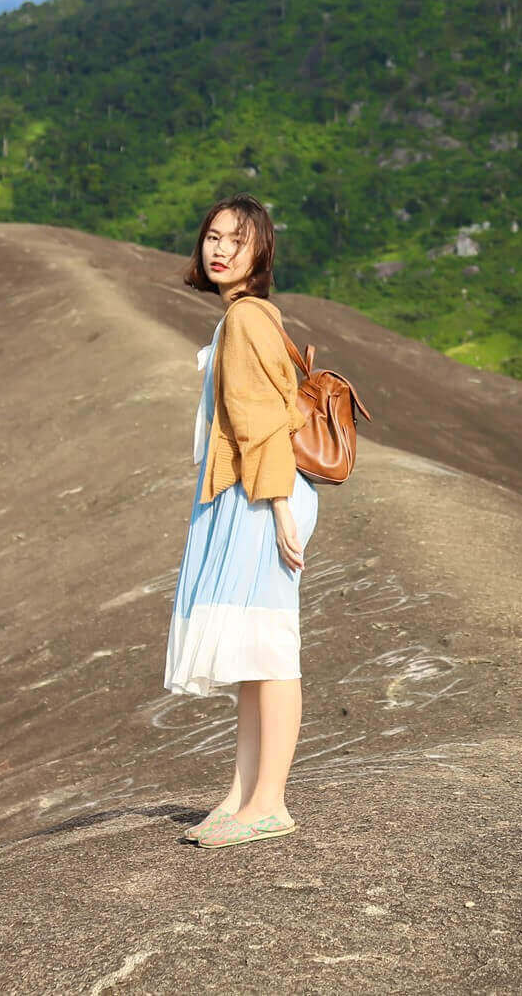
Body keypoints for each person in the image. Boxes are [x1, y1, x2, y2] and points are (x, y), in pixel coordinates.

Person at [164, 193, 318, 849]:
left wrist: (281, 505)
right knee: (254, 655)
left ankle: (271, 801)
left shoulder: (249, 317)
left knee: (272, 649)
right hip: (247, 494)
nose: (220, 248)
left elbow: (260, 419)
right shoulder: (238, 320)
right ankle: (241, 792)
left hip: (263, 497)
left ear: (260, 253)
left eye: (236, 239)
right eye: (212, 237)